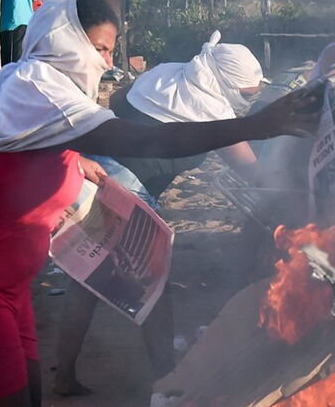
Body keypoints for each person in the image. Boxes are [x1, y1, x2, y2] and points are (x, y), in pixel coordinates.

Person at [0, 0, 317, 407]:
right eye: (100, 48)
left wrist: (78, 164)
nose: (108, 63)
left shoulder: (37, 89)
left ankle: (116, 374)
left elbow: (29, 149)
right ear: (64, 39)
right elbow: (151, 139)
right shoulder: (41, 92)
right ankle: (167, 375)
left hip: (9, 284)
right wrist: (255, 126)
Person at [53, 31, 265, 395]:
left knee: (85, 283)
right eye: (247, 94)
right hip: (124, 189)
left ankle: (63, 378)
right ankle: (168, 379)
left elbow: (120, 100)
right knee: (153, 288)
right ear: (227, 83)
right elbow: (254, 171)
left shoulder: (167, 74)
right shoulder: (211, 113)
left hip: (88, 175)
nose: (249, 101)